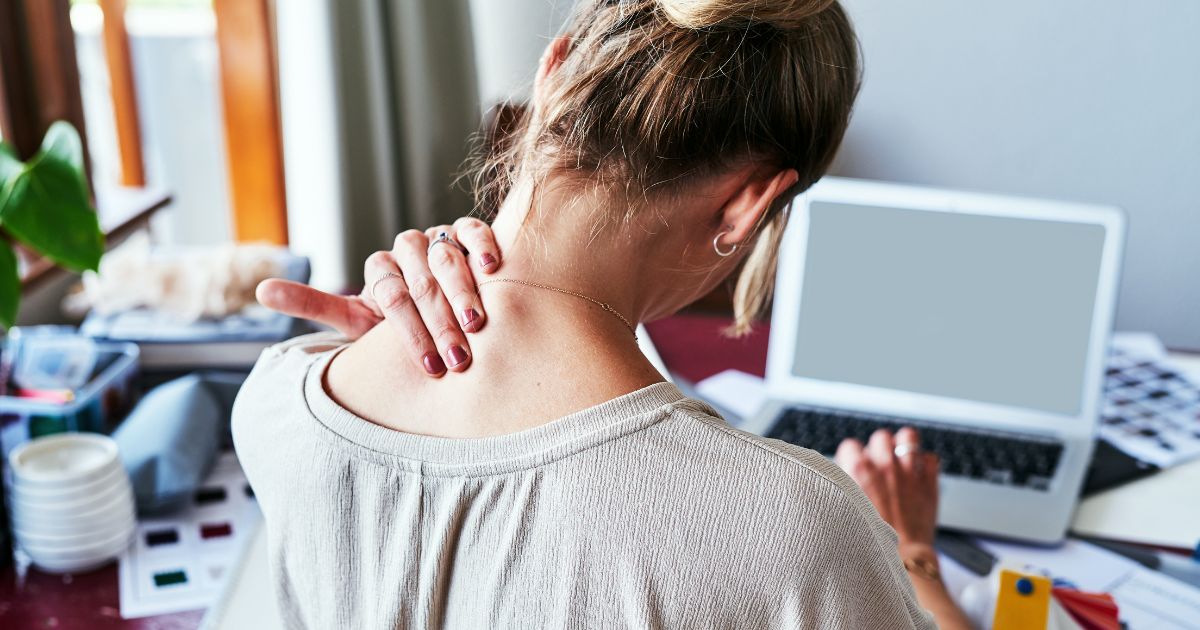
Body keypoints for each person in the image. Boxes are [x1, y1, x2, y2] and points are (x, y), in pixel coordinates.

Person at [235, 0, 975, 627]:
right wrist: (908, 552)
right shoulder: (805, 529)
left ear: (551, 73)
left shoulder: (274, 404)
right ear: (750, 205)